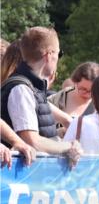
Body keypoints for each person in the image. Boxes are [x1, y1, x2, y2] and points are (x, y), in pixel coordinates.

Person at [0, 27, 82, 164]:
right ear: (48, 55)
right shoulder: (21, 89)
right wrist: (68, 146)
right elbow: (32, 141)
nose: (58, 59)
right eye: (58, 53)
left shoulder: (31, 88)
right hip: (22, 176)